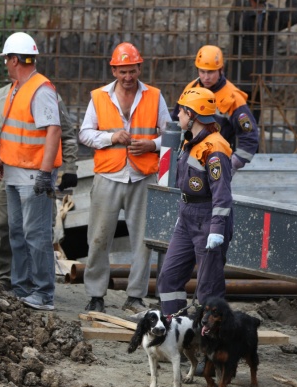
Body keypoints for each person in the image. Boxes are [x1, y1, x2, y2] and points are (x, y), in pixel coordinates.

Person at [79, 42, 171, 314]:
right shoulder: (99, 97)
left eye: (132, 71)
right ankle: (96, 295)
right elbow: (84, 133)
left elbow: (170, 133)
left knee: (143, 242)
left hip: (143, 176)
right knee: (98, 238)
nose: (128, 77)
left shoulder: (154, 96)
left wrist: (152, 145)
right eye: (122, 72)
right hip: (109, 174)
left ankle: (135, 296)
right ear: (114, 70)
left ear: (139, 68)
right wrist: (111, 137)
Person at [0, 82, 79, 292]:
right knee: (4, 227)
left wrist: (70, 168)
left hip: (38, 176)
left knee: (39, 232)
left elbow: (65, 134)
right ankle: (4, 280)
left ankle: (37, 286)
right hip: (6, 174)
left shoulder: (48, 97)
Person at [0, 32, 63, 311]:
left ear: (16, 59)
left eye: (7, 58)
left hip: (33, 175)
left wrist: (45, 173)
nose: (6, 63)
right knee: (17, 233)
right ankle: (21, 289)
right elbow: (15, 131)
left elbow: (53, 130)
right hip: (14, 172)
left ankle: (43, 293)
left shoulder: (40, 89)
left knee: (36, 235)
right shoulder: (17, 87)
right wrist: (2, 159)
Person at [157, 87, 233, 318]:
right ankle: (176, 330)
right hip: (188, 217)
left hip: (208, 220)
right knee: (169, 278)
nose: (177, 114)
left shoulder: (215, 148)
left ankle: (209, 344)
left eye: (182, 110)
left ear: (193, 115)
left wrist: (217, 229)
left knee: (208, 290)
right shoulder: (190, 141)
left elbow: (222, 195)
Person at [170, 45, 258, 176]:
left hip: (215, 161)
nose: (206, 77)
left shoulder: (233, 97)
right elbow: (176, 122)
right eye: (202, 71)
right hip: (188, 161)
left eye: (210, 72)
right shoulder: (191, 88)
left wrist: (232, 164)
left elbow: (250, 137)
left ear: (221, 70)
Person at [227, 0, 297, 123]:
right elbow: (234, 21)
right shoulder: (240, 11)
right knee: (236, 122)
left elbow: (294, 16)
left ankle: (249, 141)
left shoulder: (271, 14)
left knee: (253, 122)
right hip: (239, 78)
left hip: (259, 79)